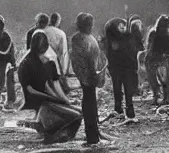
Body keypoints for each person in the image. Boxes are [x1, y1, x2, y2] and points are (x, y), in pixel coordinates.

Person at [18, 32, 82, 144]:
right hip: (39, 100)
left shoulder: (46, 62)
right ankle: (52, 134)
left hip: (47, 98)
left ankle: (57, 134)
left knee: (78, 113)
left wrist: (62, 99)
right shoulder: (27, 63)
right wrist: (54, 98)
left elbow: (50, 86)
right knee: (75, 116)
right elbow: (30, 90)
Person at [69, 13, 107, 145]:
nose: (90, 27)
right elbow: (88, 59)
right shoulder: (84, 39)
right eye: (88, 24)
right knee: (90, 104)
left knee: (89, 104)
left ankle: (92, 135)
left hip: (88, 76)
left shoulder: (81, 38)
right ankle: (92, 136)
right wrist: (94, 73)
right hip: (89, 75)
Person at [146, 15, 169, 105]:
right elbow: (150, 47)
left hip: (163, 58)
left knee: (164, 79)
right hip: (156, 58)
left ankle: (164, 98)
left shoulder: (161, 33)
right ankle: (160, 97)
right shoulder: (155, 33)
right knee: (156, 79)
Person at [47, 13, 72, 91]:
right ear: (58, 21)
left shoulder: (43, 31)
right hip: (56, 66)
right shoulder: (61, 33)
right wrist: (64, 71)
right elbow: (64, 53)